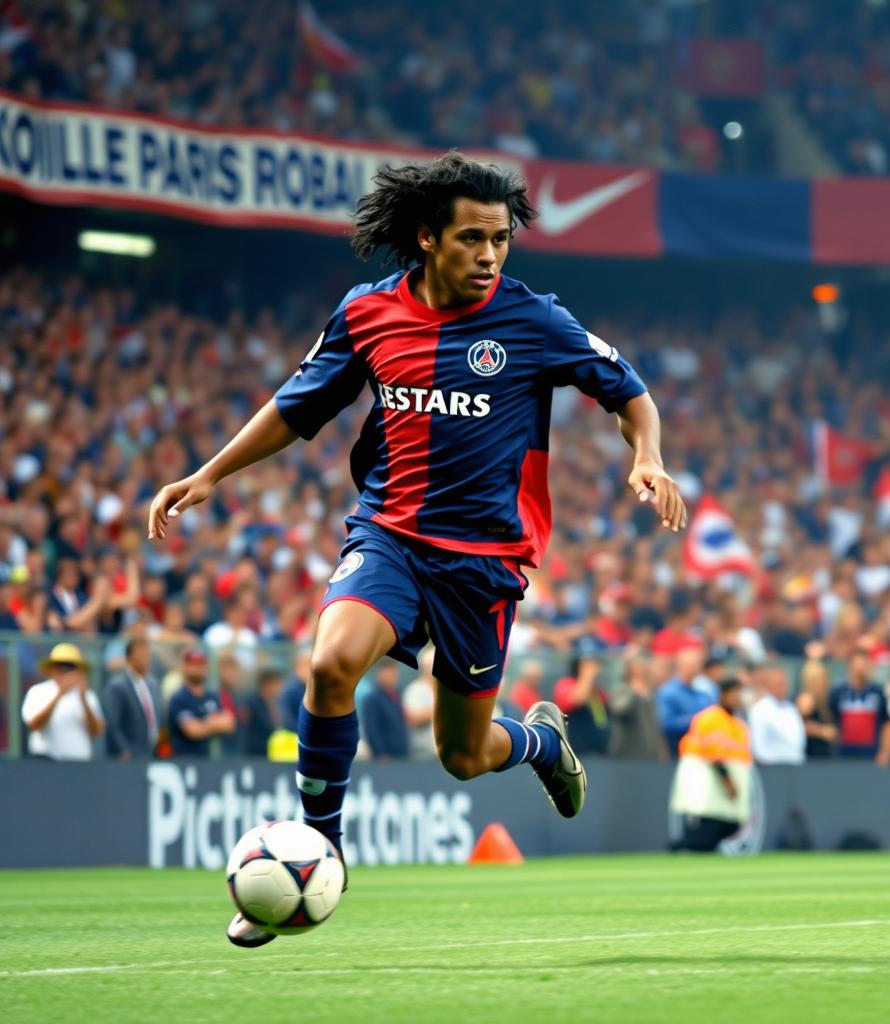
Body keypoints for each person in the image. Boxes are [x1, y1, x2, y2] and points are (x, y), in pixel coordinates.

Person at [147, 151, 685, 947]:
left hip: (484, 563)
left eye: (501, 239)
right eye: (472, 239)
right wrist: (210, 473)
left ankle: (539, 741)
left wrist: (648, 456)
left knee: (463, 758)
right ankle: (316, 850)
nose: (490, 256)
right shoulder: (367, 313)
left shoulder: (533, 320)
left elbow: (629, 391)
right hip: (390, 534)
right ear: (428, 238)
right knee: (331, 664)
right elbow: (298, 408)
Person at [669, 678, 752, 852]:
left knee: (731, 824)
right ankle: (681, 846)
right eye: (734, 694)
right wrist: (727, 779)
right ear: (723, 695)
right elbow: (714, 753)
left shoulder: (738, 724)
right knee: (710, 821)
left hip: (729, 776)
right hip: (708, 775)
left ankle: (697, 848)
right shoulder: (711, 718)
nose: (737, 698)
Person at [21, 642, 105, 760]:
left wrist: (83, 699)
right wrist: (60, 695)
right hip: (45, 762)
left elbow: (97, 732)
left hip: (79, 764)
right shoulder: (38, 691)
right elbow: (33, 725)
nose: (65, 671)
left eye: (71, 667)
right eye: (61, 666)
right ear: (51, 669)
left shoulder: (88, 695)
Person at [166, 647, 236, 757]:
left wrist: (204, 724)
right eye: (194, 664)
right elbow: (193, 730)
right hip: (185, 761)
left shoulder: (212, 696)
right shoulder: (179, 698)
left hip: (209, 760)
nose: (198, 668)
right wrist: (213, 723)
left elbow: (229, 723)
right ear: (185, 667)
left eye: (201, 664)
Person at [828, 640, 890, 762]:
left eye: (865, 664)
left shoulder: (877, 692)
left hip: (870, 755)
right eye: (858, 664)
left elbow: (887, 724)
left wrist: (884, 752)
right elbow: (831, 720)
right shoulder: (838, 692)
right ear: (850, 665)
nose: (862, 668)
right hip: (843, 755)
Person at [101, 635, 161, 759]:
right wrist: (123, 749)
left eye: (148, 655)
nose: (146, 659)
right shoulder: (117, 686)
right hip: (127, 756)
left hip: (149, 753)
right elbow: (112, 723)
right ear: (129, 658)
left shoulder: (152, 685)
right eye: (141, 655)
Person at [608, 654, 667, 759]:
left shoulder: (650, 694)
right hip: (627, 755)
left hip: (649, 755)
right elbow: (618, 710)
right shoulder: (622, 690)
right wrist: (633, 692)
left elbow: (655, 724)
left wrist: (660, 748)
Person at [656, 647, 714, 753]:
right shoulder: (668, 692)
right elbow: (666, 724)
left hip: (700, 752)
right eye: (692, 665)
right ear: (680, 666)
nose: (696, 668)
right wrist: (696, 720)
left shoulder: (702, 694)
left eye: (698, 665)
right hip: (676, 751)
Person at [748, 664, 806, 765]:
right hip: (772, 769)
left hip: (795, 768)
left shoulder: (791, 709)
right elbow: (758, 747)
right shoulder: (760, 709)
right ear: (769, 685)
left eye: (784, 683)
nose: (783, 687)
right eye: (779, 684)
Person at [362, 661, 410, 760]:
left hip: (402, 755)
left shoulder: (397, 695)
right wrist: (380, 753)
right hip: (385, 757)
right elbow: (371, 729)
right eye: (389, 672)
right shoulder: (372, 698)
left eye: (394, 672)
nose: (392, 676)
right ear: (380, 673)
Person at [795, 655, 837, 758]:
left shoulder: (824, 702)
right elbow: (799, 726)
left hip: (823, 755)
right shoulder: (806, 700)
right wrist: (822, 731)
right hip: (811, 755)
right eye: (820, 680)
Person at [402, 647, 437, 760]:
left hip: (444, 753)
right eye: (429, 665)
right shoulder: (414, 690)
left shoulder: (445, 690)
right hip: (422, 754)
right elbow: (413, 718)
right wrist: (441, 708)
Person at [240, 668, 284, 757]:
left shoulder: (275, 702)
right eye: (277, 684)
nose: (280, 687)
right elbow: (267, 726)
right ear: (267, 684)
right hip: (254, 754)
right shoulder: (252, 702)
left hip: (270, 752)